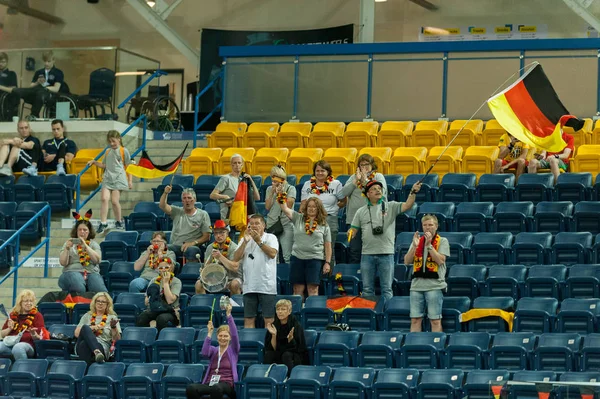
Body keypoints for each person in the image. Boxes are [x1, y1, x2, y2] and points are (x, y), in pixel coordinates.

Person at [348, 180, 422, 301]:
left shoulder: (391, 206)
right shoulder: (361, 211)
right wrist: (351, 232)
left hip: (386, 254)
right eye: (374, 189)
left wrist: (413, 191)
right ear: (368, 194)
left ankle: (386, 314)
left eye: (379, 188)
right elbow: (353, 229)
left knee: (387, 289)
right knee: (367, 289)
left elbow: (408, 205)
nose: (378, 190)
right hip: (367, 254)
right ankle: (369, 314)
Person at [403, 214, 451, 332]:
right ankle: (414, 348)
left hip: (434, 286)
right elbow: (407, 261)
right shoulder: (417, 240)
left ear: (436, 226)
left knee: (435, 320)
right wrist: (414, 246)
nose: (427, 227)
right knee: (415, 319)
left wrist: (429, 246)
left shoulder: (443, 241)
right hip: (416, 286)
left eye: (430, 225)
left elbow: (440, 260)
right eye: (425, 225)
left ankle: (437, 347)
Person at [278, 196, 331, 298]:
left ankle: (312, 312)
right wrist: (280, 194)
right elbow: (284, 208)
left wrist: (327, 263)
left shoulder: (324, 224)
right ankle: (297, 312)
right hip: (297, 258)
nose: (311, 209)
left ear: (318, 208)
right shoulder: (298, 218)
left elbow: (328, 245)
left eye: (314, 207)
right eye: (309, 206)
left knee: (313, 289)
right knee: (297, 289)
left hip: (315, 259)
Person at [340, 154, 387, 264]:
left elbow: (381, 194)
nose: (364, 167)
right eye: (362, 165)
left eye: (367, 164)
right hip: (353, 221)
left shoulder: (378, 177)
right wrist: (355, 181)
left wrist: (365, 180)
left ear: (372, 165)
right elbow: (343, 193)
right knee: (354, 250)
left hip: (373, 220)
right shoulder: (353, 177)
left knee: (372, 250)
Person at [233, 214, 278, 328]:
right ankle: (249, 344)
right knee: (249, 319)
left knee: (268, 320)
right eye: (251, 224)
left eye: (257, 223)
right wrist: (245, 242)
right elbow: (236, 258)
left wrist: (259, 241)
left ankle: (269, 345)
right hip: (249, 286)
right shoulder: (244, 239)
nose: (254, 226)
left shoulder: (271, 237)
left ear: (264, 225)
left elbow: (272, 254)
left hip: (266, 286)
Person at [186, 304, 239, 399]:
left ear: (230, 338)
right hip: (211, 383)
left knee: (216, 388)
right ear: (217, 336)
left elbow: (235, 334)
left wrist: (229, 316)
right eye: (220, 335)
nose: (223, 338)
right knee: (191, 388)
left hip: (226, 384)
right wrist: (209, 333)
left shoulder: (233, 350)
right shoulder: (214, 350)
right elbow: (204, 352)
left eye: (226, 336)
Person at [88, 130, 133, 235]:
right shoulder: (108, 151)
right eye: (110, 142)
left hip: (118, 179)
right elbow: (104, 165)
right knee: (104, 199)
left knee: (114, 201)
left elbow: (129, 166)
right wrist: (94, 162)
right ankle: (103, 223)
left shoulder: (124, 150)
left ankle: (118, 221)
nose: (112, 143)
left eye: (113, 141)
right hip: (108, 178)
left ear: (119, 139)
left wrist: (130, 180)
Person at [299, 160, 343, 264]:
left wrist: (335, 208)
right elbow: (303, 203)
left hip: (329, 218)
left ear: (328, 172)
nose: (319, 173)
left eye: (322, 171)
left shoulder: (335, 184)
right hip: (311, 218)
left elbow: (344, 200)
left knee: (329, 249)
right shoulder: (307, 184)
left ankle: (330, 276)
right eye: (317, 170)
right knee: (313, 248)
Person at [58, 209, 107, 293]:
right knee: (78, 287)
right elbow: (63, 263)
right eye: (79, 230)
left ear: (89, 232)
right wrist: (67, 249)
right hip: (71, 272)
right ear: (76, 231)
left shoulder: (94, 244)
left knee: (101, 292)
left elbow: (97, 260)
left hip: (91, 272)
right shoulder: (68, 243)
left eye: (85, 230)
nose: (82, 232)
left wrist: (86, 247)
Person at [159, 186, 211, 262]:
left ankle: (189, 272)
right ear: (182, 201)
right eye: (184, 198)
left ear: (195, 200)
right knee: (164, 249)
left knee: (192, 250)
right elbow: (162, 206)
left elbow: (207, 236)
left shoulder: (203, 214)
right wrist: (165, 193)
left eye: (189, 198)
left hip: (193, 246)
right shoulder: (177, 211)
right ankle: (168, 271)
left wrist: (193, 243)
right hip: (176, 245)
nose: (187, 200)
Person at [12, 50, 67, 119]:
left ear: (54, 60)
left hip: (50, 94)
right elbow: (31, 86)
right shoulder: (39, 72)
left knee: (40, 93)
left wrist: (45, 88)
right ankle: (13, 115)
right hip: (36, 92)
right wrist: (37, 82)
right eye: (45, 61)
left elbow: (56, 88)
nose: (46, 63)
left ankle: (34, 115)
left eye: (48, 61)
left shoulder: (58, 72)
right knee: (17, 91)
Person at [196, 220, 242, 295]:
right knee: (198, 284)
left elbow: (234, 268)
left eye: (222, 232)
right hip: (214, 278)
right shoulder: (210, 247)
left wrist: (220, 257)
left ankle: (235, 306)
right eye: (216, 233)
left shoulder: (234, 248)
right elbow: (207, 265)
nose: (218, 235)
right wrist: (204, 270)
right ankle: (203, 305)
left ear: (227, 233)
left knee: (235, 284)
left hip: (231, 278)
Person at [210, 153, 260, 222]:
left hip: (242, 217)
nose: (237, 165)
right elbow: (212, 195)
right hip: (229, 217)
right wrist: (225, 197)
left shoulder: (243, 180)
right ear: (231, 165)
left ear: (242, 165)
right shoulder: (226, 178)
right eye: (235, 163)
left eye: (239, 163)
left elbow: (257, 197)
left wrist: (251, 180)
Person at [136, 257, 182, 332]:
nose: (164, 270)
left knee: (161, 319)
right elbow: (146, 301)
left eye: (166, 267)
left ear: (171, 267)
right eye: (161, 268)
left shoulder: (176, 281)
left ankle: (159, 340)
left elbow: (170, 300)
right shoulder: (154, 281)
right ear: (157, 269)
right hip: (156, 308)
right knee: (142, 317)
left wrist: (166, 283)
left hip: (171, 310)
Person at [74, 292, 121, 364]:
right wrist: (94, 327)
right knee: (85, 328)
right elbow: (77, 334)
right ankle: (96, 352)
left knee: (84, 344)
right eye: (98, 301)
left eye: (103, 302)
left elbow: (116, 339)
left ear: (107, 304)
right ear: (94, 302)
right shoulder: (87, 316)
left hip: (102, 346)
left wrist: (113, 327)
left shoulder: (112, 318)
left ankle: (84, 372)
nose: (100, 303)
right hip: (81, 347)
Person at [264, 299, 307, 373]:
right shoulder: (273, 325)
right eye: (278, 309)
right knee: (269, 354)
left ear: (289, 311)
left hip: (294, 354)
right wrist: (274, 335)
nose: (280, 312)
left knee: (286, 355)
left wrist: (291, 339)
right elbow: (272, 349)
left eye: (283, 309)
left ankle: (291, 377)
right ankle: (268, 377)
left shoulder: (296, 325)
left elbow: (299, 348)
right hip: (279, 352)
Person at [264, 165, 296, 263]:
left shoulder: (291, 188)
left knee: (287, 256)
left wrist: (280, 194)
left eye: (276, 177)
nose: (274, 180)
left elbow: (289, 205)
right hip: (272, 224)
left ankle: (288, 277)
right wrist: (272, 193)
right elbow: (267, 207)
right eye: (272, 177)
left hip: (286, 224)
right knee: (273, 257)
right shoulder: (270, 189)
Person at [0, 289, 44, 360]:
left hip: (28, 345)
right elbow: (2, 335)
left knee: (18, 348)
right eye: (26, 301)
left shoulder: (37, 315)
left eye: (31, 301)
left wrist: (33, 334)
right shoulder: (12, 315)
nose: (29, 303)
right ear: (20, 302)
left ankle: (23, 369)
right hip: (10, 343)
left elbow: (41, 337)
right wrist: (10, 328)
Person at [0, 52, 19, 121]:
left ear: (7, 62)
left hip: (7, 98)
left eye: (3, 62)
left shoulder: (11, 74)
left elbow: (14, 89)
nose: (0, 64)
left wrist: (1, 87)